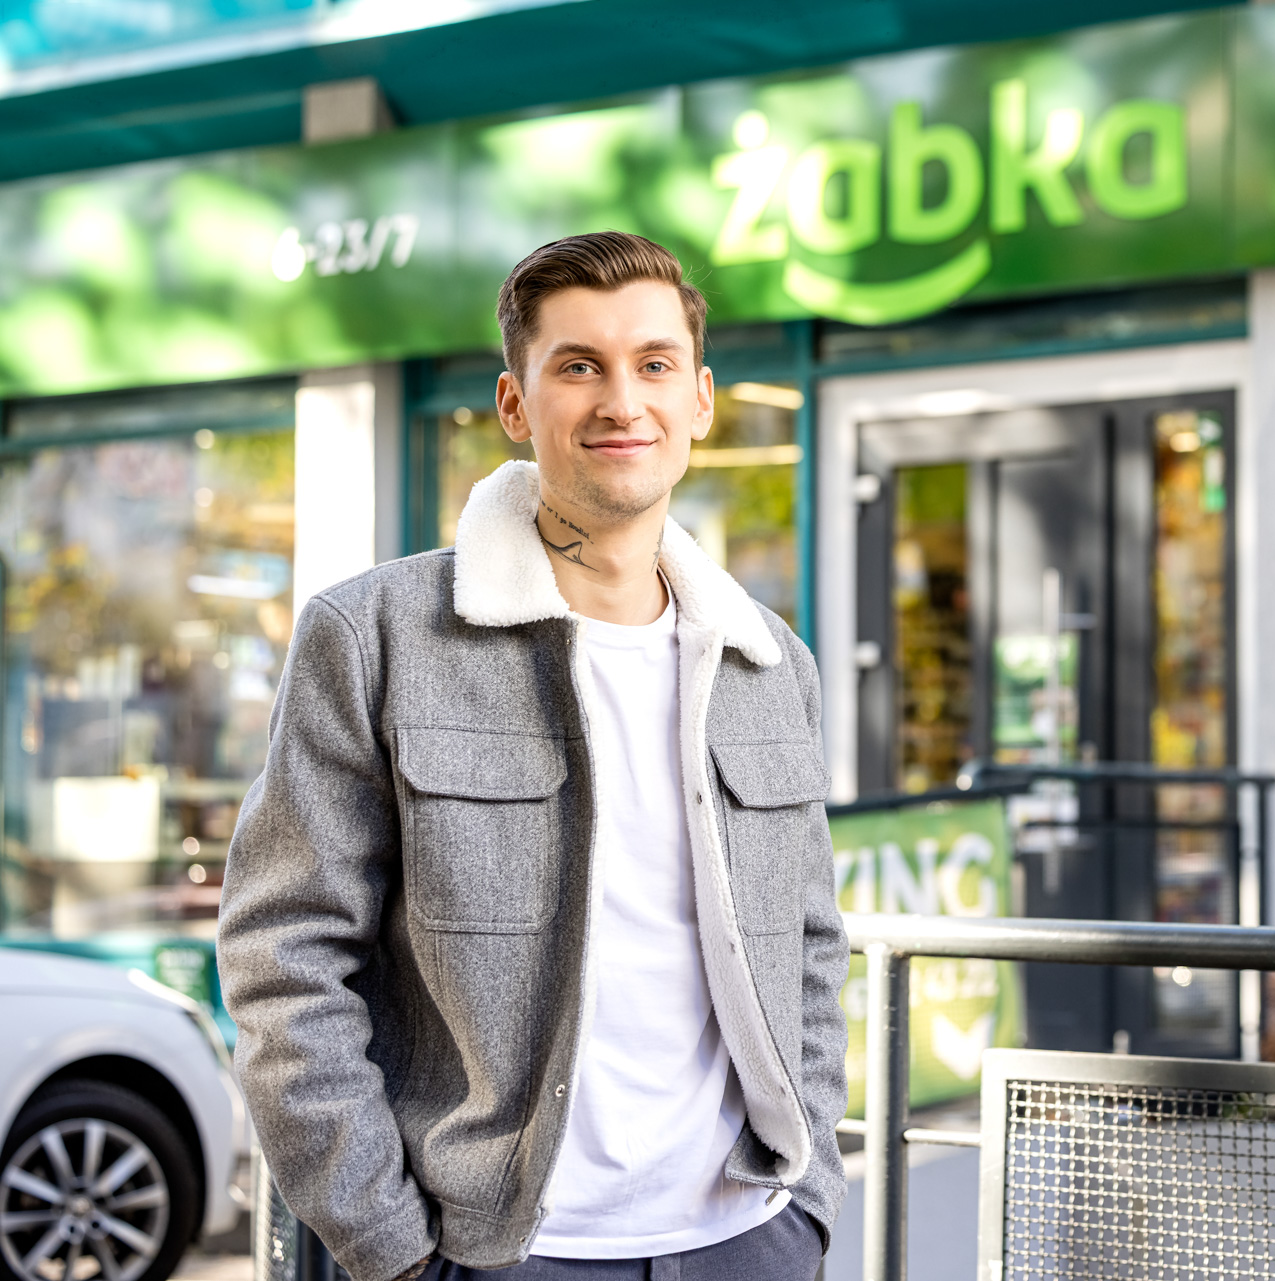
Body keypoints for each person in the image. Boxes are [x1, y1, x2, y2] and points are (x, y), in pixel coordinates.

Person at [217, 232, 848, 1281]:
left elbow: (811, 945)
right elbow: (283, 957)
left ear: (699, 400)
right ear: (515, 405)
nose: (622, 402)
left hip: (748, 1238)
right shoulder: (375, 637)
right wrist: (390, 1246)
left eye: (653, 364)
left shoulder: (768, 660)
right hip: (495, 1254)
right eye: (579, 366)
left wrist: (809, 1196)